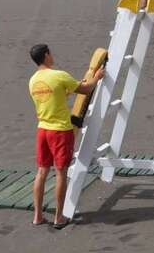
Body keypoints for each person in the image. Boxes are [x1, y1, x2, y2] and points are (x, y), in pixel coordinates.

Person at [28, 44, 105, 229]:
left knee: (42, 172)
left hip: (42, 129)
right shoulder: (58, 75)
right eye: (50, 53)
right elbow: (86, 90)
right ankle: (58, 217)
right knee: (61, 172)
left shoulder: (33, 80)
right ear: (46, 55)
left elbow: (57, 94)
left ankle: (37, 216)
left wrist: (71, 87)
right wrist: (96, 78)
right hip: (60, 131)